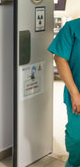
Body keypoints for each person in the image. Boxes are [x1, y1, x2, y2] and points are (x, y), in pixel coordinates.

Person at [48, 18, 80, 167]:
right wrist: (74, 93)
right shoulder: (72, 28)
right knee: (77, 138)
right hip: (78, 95)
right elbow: (60, 58)